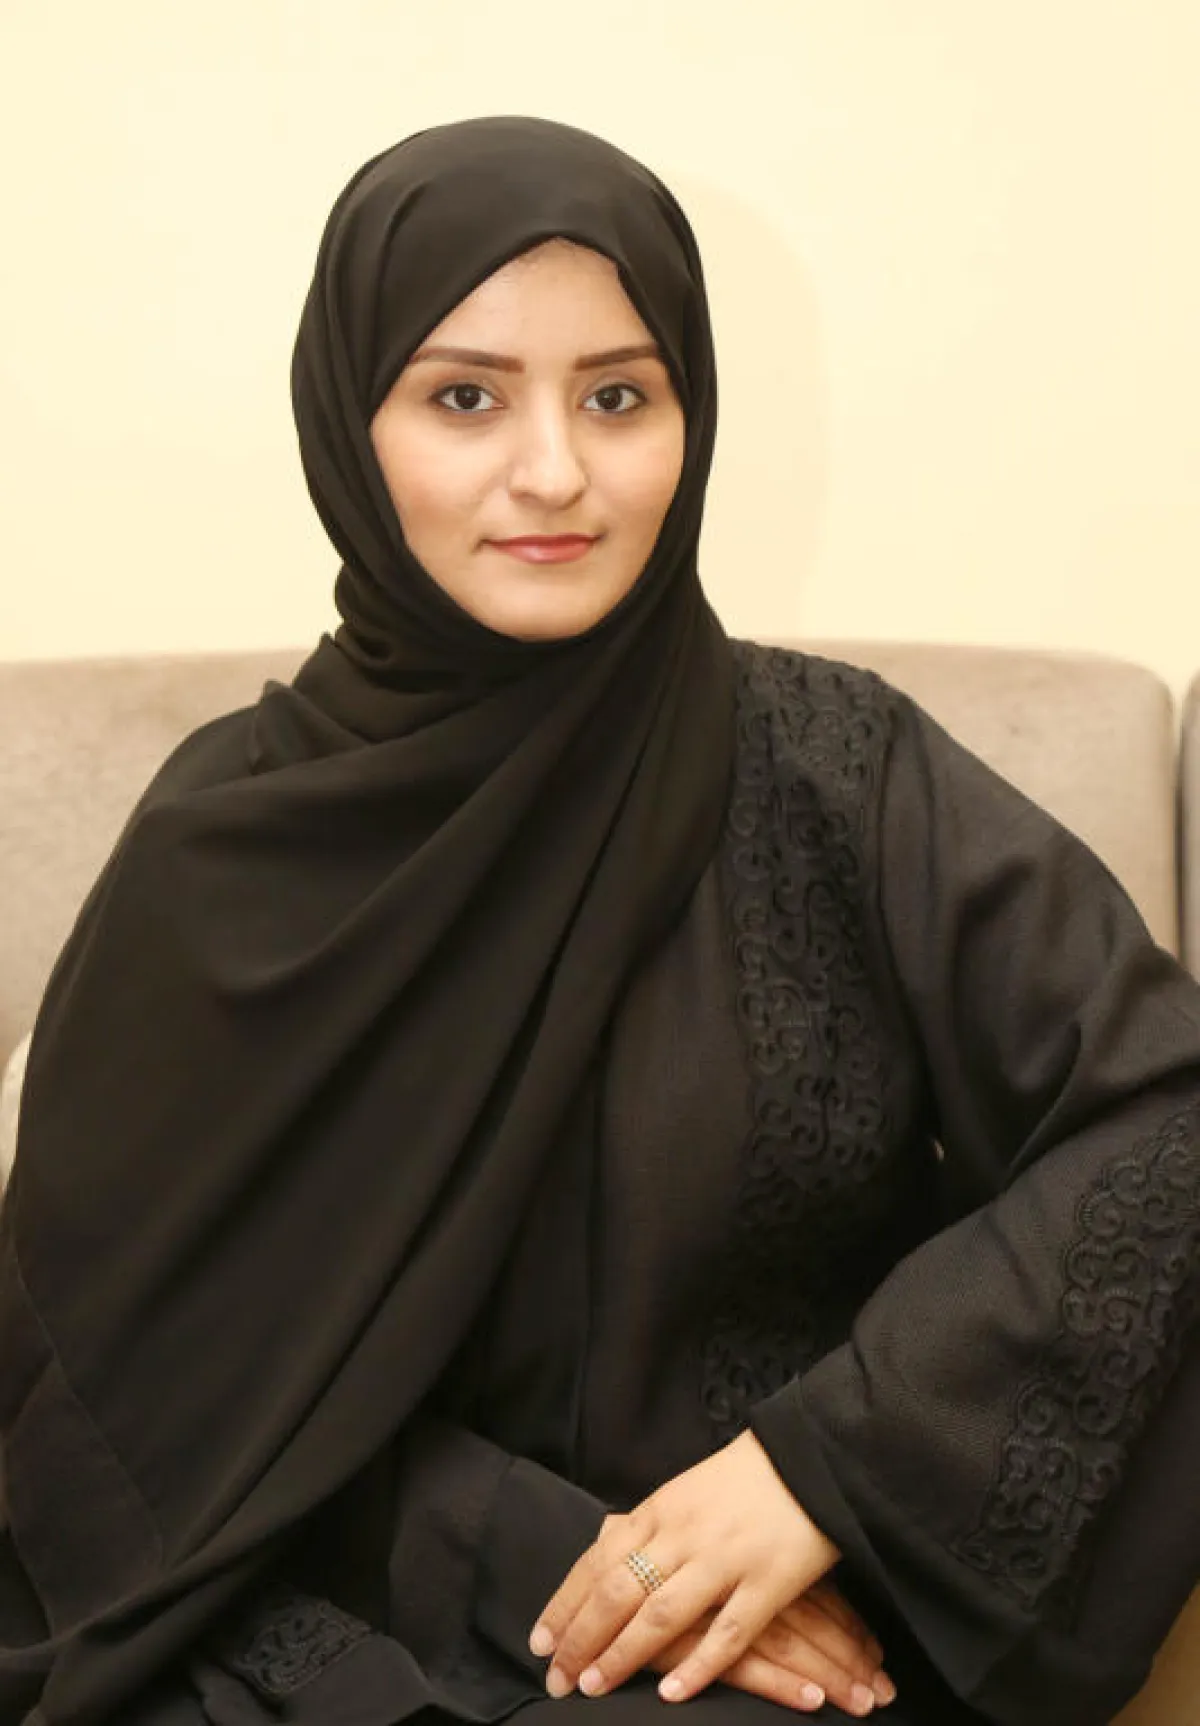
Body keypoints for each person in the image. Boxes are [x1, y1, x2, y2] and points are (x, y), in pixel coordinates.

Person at [0, 115, 1196, 1726]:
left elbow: (1165, 1104)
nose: (554, 469)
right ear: (351, 423)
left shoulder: (840, 772)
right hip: (330, 1592)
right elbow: (119, 1361)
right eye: (465, 396)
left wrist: (822, 1469)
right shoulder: (227, 839)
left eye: (619, 396)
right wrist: (550, 1553)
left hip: (777, 1630)